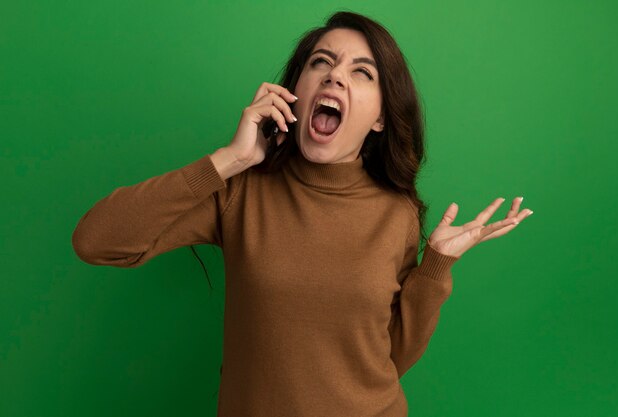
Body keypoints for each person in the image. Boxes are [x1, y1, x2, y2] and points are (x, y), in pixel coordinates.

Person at [71, 11, 533, 417]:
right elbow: (95, 241)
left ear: (380, 118)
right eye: (321, 63)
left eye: (362, 73)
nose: (334, 77)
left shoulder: (397, 214)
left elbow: (389, 358)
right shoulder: (241, 191)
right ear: (293, 90)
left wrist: (434, 267)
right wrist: (228, 160)